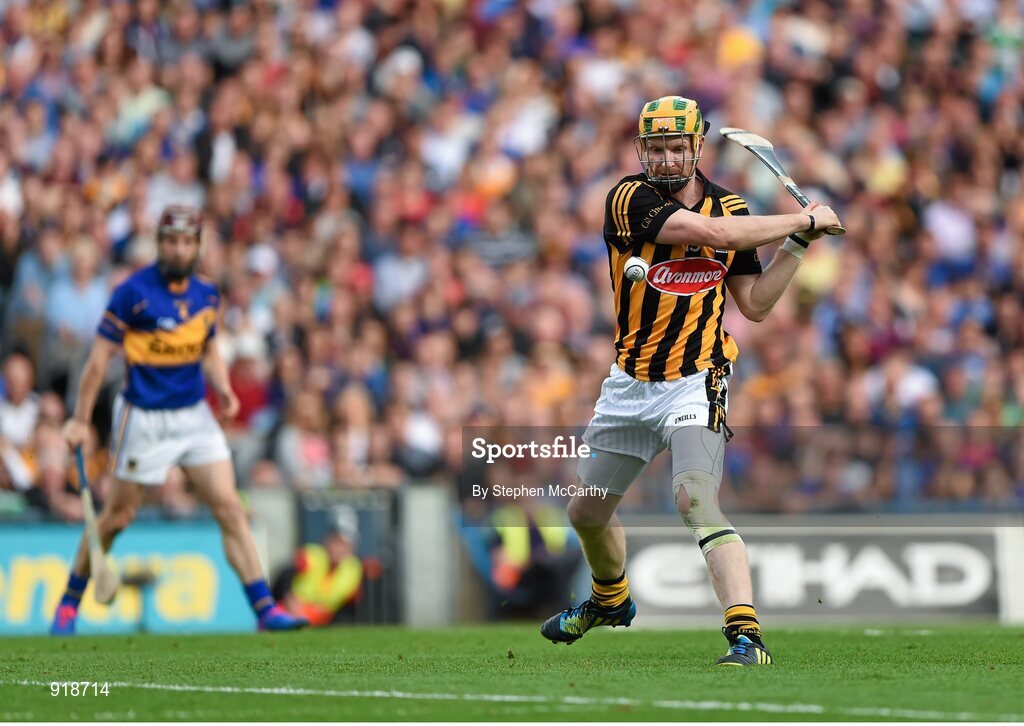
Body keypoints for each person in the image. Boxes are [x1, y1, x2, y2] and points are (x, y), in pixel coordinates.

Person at [539, 96, 841, 666]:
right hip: (630, 383)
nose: (667, 157)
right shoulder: (629, 198)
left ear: (697, 147)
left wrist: (797, 245)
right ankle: (611, 600)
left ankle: (746, 635)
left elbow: (752, 304)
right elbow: (713, 235)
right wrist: (804, 218)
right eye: (656, 147)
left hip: (697, 378)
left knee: (694, 497)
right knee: (586, 514)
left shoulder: (733, 203)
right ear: (642, 150)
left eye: (677, 146)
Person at [50, 205, 307, 635]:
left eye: (187, 241)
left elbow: (207, 347)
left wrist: (221, 385)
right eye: (171, 241)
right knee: (117, 518)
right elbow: (97, 362)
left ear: (198, 246)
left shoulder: (207, 295)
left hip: (193, 416)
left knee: (229, 507)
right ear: (160, 243)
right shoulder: (132, 293)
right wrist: (79, 419)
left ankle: (265, 610)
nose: (179, 248)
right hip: (143, 417)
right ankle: (68, 604)